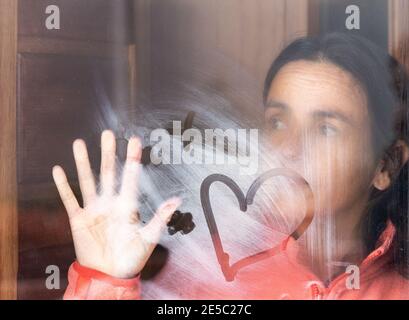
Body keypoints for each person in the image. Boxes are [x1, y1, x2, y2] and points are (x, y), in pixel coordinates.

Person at [53, 33, 409, 299]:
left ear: (386, 166)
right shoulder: (207, 273)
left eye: (326, 128)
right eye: (278, 123)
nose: (287, 149)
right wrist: (103, 283)